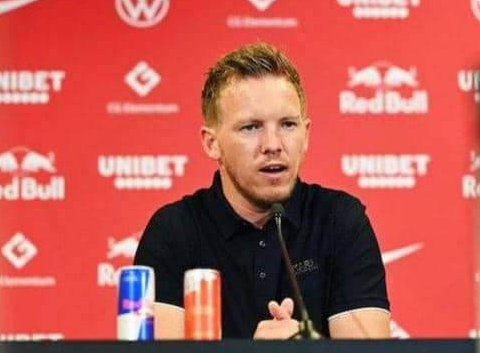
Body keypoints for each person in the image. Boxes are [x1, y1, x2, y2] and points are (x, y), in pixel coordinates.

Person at [133, 42, 390, 339]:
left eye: (288, 124)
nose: (273, 144)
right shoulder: (172, 231)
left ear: (306, 135)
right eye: (251, 127)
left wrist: (307, 347)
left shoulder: (339, 220)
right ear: (211, 143)